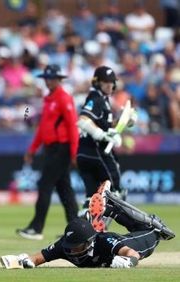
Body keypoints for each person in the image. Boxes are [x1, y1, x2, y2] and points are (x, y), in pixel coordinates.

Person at [1, 180, 175, 269]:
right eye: (70, 247)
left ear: (89, 242)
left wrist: (129, 261)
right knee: (133, 227)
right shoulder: (66, 245)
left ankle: (152, 223)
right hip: (117, 239)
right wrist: (21, 261)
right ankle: (108, 209)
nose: (71, 252)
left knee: (149, 230)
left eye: (76, 248)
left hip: (138, 241)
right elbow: (38, 257)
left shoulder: (104, 241)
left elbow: (132, 253)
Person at [17, 64, 79, 240]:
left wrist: (74, 152)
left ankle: (36, 228)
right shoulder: (49, 99)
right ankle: (75, 229)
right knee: (64, 188)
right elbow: (43, 129)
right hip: (51, 148)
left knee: (45, 185)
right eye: (46, 78)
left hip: (62, 148)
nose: (48, 81)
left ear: (59, 80)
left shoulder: (64, 99)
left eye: (51, 78)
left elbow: (72, 127)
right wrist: (32, 149)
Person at [76, 65, 137, 230]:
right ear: (97, 82)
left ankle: (83, 232)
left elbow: (105, 126)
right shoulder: (95, 98)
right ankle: (99, 231)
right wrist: (102, 135)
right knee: (115, 193)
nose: (109, 86)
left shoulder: (103, 99)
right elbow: (83, 120)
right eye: (105, 82)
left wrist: (125, 121)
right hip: (96, 153)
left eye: (111, 82)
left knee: (91, 197)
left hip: (85, 153)